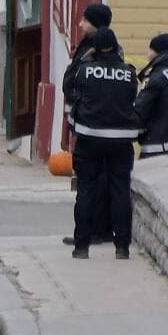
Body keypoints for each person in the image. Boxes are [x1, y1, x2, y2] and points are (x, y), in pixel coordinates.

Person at [62, 27, 139, 259]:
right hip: (121, 140)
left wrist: (81, 61)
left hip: (89, 137)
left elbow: (69, 87)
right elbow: (131, 98)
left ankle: (81, 246)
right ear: (116, 48)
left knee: (86, 190)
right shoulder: (129, 73)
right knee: (120, 191)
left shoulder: (85, 71)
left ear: (94, 49)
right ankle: (122, 247)